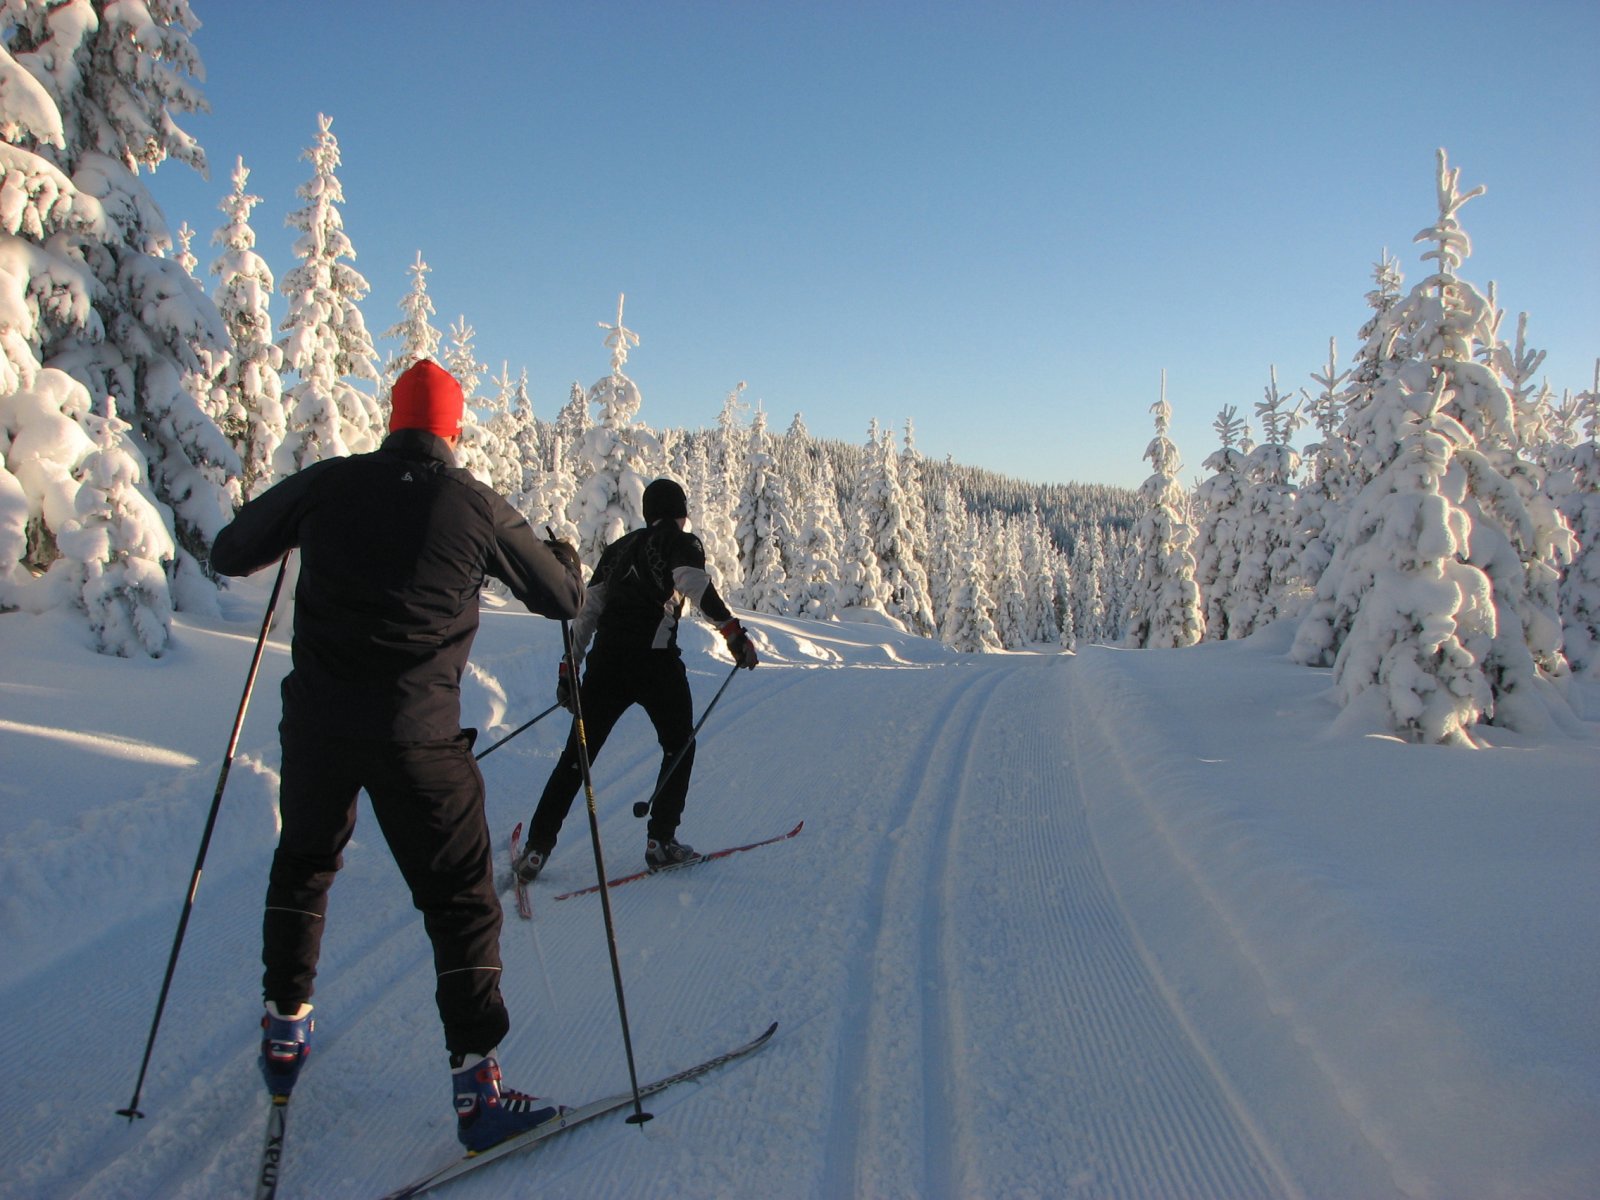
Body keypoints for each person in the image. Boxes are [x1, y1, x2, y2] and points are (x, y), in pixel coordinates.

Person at [210, 359, 585, 1153]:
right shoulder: (475, 505)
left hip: (317, 726)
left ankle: (284, 1033)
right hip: (418, 737)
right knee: (459, 902)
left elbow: (229, 552)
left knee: (305, 863)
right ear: (451, 427)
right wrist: (570, 561)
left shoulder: (329, 483)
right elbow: (561, 601)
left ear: (393, 417)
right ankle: (477, 1088)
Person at [513, 478, 758, 883]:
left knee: (577, 756)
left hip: (606, 664)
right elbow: (694, 586)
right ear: (680, 513)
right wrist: (732, 633)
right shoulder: (682, 542)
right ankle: (660, 842)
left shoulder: (617, 548)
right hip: (656, 664)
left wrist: (569, 668)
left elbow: (587, 612)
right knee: (678, 745)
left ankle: (537, 849)